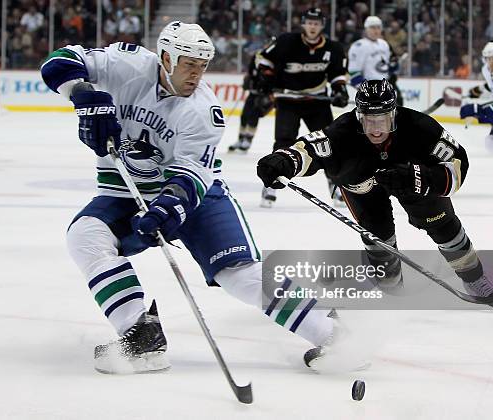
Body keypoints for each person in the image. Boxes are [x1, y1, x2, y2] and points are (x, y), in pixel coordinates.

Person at [40, 21, 340, 373]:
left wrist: (167, 209)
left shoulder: (204, 112)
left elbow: (190, 180)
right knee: (85, 235)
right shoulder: (127, 64)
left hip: (196, 197)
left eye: (202, 66)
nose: (196, 74)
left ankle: (333, 334)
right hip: (125, 190)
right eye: (188, 64)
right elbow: (58, 62)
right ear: (165, 57)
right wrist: (82, 93)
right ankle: (140, 335)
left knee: (239, 275)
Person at [257, 79, 493, 300]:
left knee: (443, 225)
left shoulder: (419, 127)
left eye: (382, 119)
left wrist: (423, 179)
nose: (375, 129)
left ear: (393, 114)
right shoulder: (341, 132)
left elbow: (458, 164)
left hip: (413, 180)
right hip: (361, 187)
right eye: (369, 120)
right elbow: (308, 150)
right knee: (379, 239)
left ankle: (475, 279)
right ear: (358, 115)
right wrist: (283, 161)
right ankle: (392, 291)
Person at [255, 7, 349, 208]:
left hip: (316, 102)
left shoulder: (333, 48)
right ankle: (272, 183)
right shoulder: (286, 42)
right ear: (303, 24)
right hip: (288, 101)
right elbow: (264, 60)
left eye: (317, 23)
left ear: (322, 25)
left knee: (329, 144)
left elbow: (337, 74)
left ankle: (336, 185)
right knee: (284, 141)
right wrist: (265, 86)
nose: (313, 27)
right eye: (310, 23)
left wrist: (340, 90)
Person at [461, 41, 493, 195]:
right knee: (492, 143)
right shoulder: (486, 70)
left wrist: (475, 110)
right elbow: (491, 86)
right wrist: (474, 92)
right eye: (489, 58)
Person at [228, 41, 275, 153]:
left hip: (264, 94)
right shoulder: (256, 56)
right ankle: (240, 139)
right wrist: (247, 81)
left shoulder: (274, 59)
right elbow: (250, 72)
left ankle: (248, 140)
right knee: (244, 115)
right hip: (253, 93)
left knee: (253, 116)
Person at [348, 16, 403, 105]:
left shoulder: (384, 44)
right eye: (372, 27)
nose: (376, 30)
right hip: (369, 90)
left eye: (378, 27)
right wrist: (367, 91)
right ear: (366, 29)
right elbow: (354, 72)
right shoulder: (358, 46)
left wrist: (393, 67)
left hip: (385, 88)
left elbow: (387, 68)